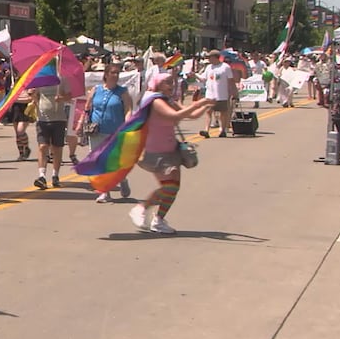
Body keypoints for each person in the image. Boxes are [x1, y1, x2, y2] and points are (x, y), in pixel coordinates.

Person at [129, 73, 214, 233]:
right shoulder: (156, 101)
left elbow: (191, 115)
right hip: (155, 152)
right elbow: (175, 116)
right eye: (167, 82)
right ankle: (142, 207)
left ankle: (158, 220)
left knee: (173, 187)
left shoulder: (168, 100)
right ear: (158, 84)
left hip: (171, 150)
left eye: (173, 82)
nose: (172, 85)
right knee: (169, 185)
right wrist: (199, 103)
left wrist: (207, 105)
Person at [81, 63, 134, 203]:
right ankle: (105, 192)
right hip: (96, 130)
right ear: (106, 74)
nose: (116, 76)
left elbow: (128, 109)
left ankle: (122, 179)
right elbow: (87, 108)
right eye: (113, 73)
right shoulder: (96, 90)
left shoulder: (122, 92)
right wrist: (81, 123)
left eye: (117, 73)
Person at [31, 79, 71, 190]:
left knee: (56, 148)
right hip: (42, 119)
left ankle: (55, 175)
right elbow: (35, 98)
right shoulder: (41, 79)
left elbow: (69, 96)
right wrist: (33, 94)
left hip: (59, 119)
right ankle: (42, 176)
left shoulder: (62, 79)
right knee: (42, 146)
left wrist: (62, 98)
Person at [200, 50, 236, 137]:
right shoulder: (209, 67)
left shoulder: (225, 67)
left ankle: (223, 130)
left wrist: (234, 92)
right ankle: (206, 130)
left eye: (210, 57)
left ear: (216, 57)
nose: (208, 59)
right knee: (208, 112)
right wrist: (194, 75)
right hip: (210, 95)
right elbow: (203, 79)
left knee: (223, 113)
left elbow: (231, 81)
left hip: (222, 94)